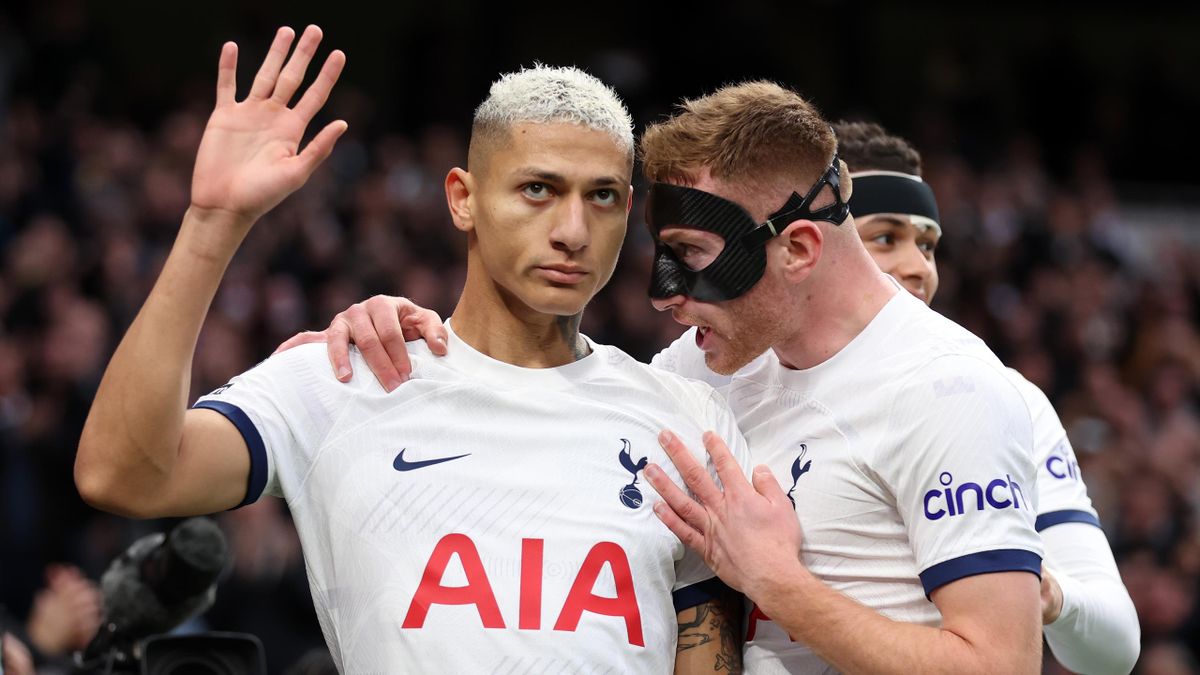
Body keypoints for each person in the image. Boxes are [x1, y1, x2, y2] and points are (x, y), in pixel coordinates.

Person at [286, 82, 1048, 674]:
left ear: (801, 249)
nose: (665, 294)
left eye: (694, 254)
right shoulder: (699, 369)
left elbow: (998, 664)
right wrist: (396, 331)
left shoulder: (950, 391)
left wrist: (777, 583)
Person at [74, 25, 749, 673]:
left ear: (627, 210)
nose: (572, 230)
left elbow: (707, 646)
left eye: (600, 196)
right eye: (537, 189)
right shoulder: (343, 379)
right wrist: (212, 225)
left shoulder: (687, 422)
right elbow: (121, 473)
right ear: (463, 199)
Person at [831, 120, 1140, 674]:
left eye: (928, 244)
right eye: (885, 238)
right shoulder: (731, 382)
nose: (919, 268)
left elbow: (1115, 647)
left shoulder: (1003, 397)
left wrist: (1046, 595)